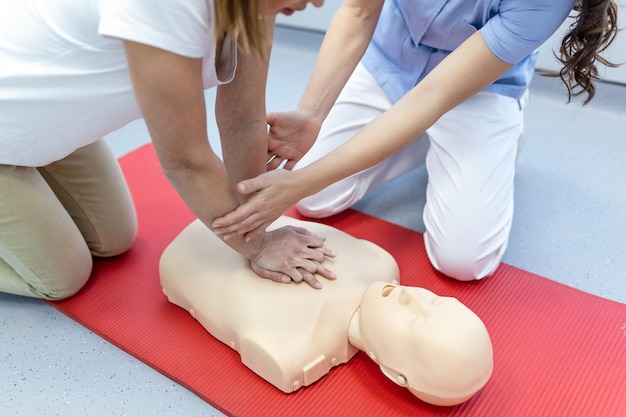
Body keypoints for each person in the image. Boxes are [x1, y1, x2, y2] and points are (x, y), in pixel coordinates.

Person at [211, 0, 620, 282]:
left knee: (464, 260)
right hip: (391, 55)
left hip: (475, 89)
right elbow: (357, 12)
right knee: (316, 201)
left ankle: (491, 136)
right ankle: (415, 141)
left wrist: (300, 180)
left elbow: (433, 98)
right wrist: (311, 116)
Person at [0, 0, 338, 300]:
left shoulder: (254, 7)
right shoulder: (164, 5)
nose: (319, 2)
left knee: (112, 240)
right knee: (63, 278)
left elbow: (243, 118)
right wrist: (258, 245)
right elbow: (185, 162)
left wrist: (256, 217)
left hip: (41, 121)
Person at [160, 216, 493, 406]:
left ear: (394, 373)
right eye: (436, 300)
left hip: (187, 252)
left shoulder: (292, 351)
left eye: (416, 321)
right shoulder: (380, 264)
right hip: (223, 217)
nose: (414, 298)